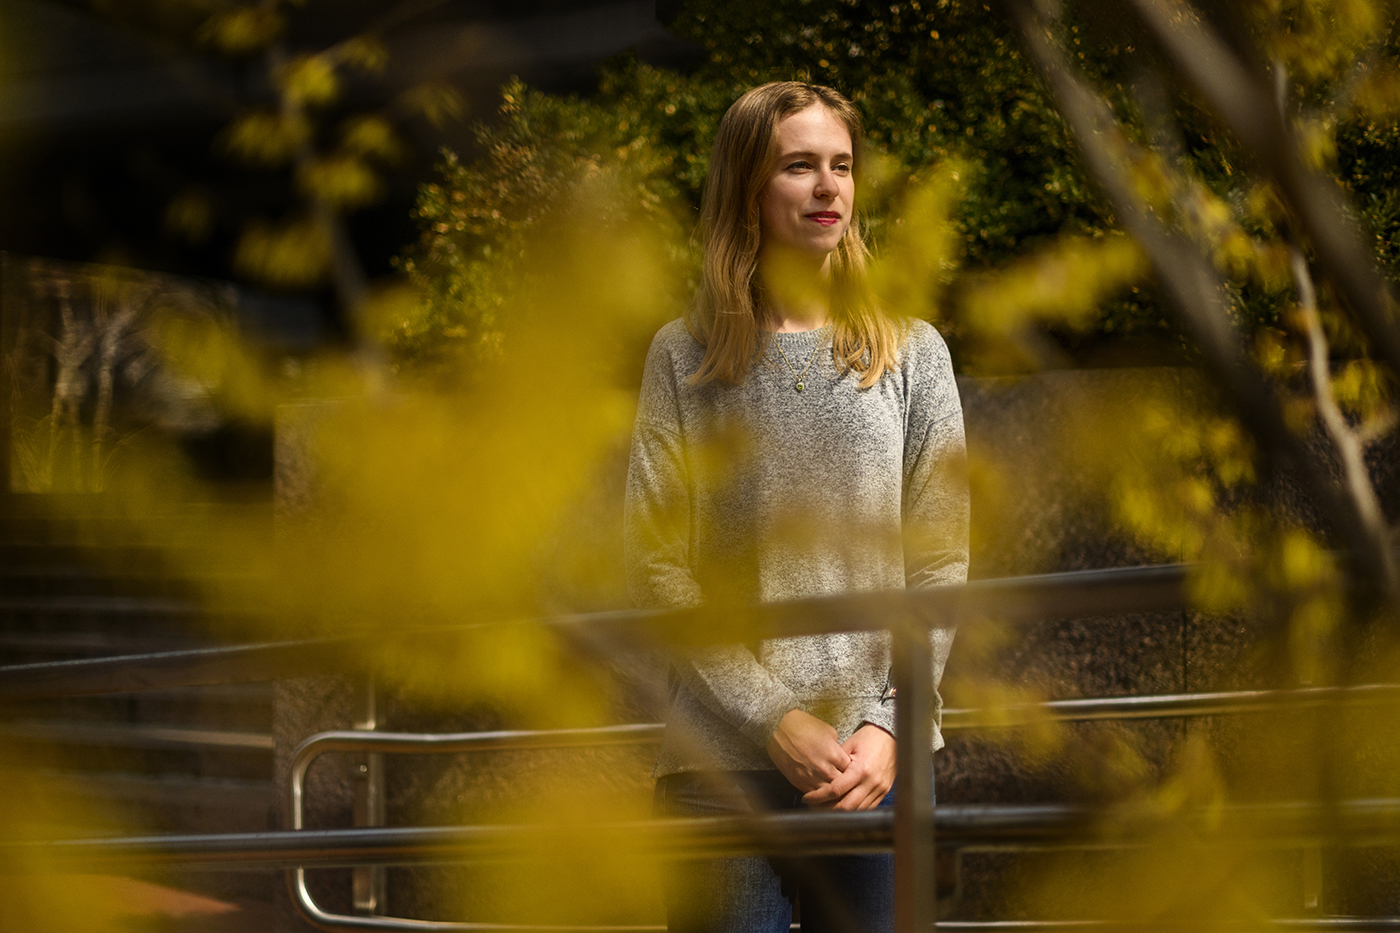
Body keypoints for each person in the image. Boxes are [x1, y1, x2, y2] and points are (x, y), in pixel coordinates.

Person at [624, 81, 968, 933]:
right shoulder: (684, 356)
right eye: (800, 166)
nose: (829, 188)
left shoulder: (914, 354)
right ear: (747, 185)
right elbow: (656, 565)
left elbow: (940, 564)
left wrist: (890, 723)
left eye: (842, 166)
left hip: (872, 768)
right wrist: (773, 717)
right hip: (721, 767)